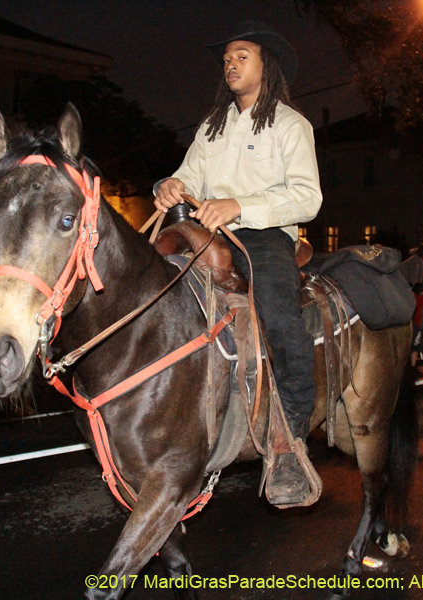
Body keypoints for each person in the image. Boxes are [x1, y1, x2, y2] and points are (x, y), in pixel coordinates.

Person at [154, 21, 321, 506]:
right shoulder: (212, 126)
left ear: (266, 65)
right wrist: (170, 186)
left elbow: (307, 198)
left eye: (241, 56)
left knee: (277, 313)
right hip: (208, 233)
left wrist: (239, 205)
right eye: (227, 58)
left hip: (265, 236)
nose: (230, 63)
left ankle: (291, 439)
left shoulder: (291, 125)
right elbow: (186, 178)